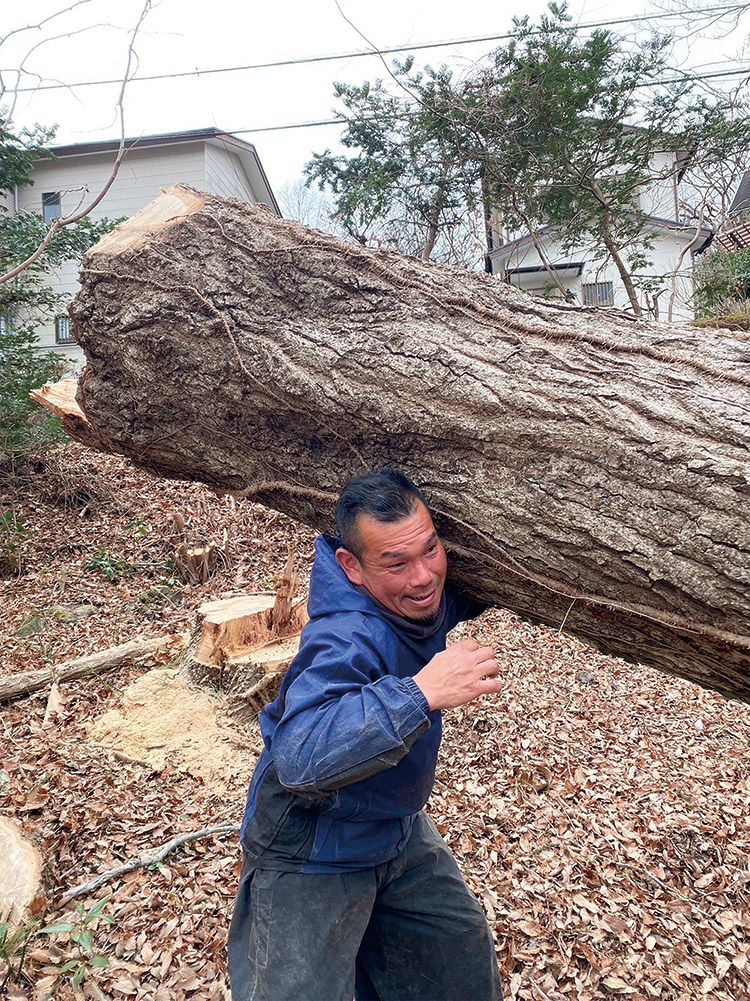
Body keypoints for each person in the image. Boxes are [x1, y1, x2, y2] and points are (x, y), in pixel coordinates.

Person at [228, 469, 504, 1001]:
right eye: (396, 563)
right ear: (351, 567)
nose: (423, 577)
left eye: (430, 550)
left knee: (458, 962)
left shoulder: (417, 596)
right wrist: (421, 693)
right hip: (311, 846)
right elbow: (300, 756)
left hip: (393, 828)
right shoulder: (346, 635)